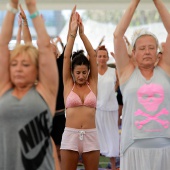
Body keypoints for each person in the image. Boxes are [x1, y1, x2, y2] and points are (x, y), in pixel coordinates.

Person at [0, 0, 60, 169]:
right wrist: (11, 7)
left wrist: (32, 8)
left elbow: (45, 46)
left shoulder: (45, 91)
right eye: (14, 64)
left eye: (25, 65)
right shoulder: (3, 89)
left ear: (36, 70)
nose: (18, 69)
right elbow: (2, 45)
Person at [113, 0, 170, 170]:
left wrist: (157, 1)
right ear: (134, 53)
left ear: (157, 52)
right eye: (143, 48)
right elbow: (117, 35)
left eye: (151, 48)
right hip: (133, 149)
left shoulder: (165, 71)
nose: (147, 52)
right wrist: (135, 3)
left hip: (164, 148)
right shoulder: (126, 73)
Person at [60, 6, 100, 170]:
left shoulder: (93, 83)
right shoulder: (69, 82)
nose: (82, 76)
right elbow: (67, 56)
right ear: (73, 72)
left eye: (84, 72)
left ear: (88, 71)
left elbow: (92, 54)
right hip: (70, 135)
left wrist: (82, 34)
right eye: (78, 72)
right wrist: (72, 34)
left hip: (91, 135)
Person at [95, 45, 119, 170]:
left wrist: (113, 91)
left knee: (112, 135)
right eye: (100, 56)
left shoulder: (113, 71)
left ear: (107, 58)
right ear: (96, 58)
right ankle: (95, 165)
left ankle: (114, 166)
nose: (102, 58)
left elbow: (119, 81)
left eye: (104, 56)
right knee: (96, 136)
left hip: (111, 108)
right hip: (97, 108)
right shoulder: (92, 72)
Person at [51, 37, 66, 168]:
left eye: (53, 50)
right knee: (49, 151)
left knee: (60, 150)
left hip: (60, 115)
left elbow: (68, 50)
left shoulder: (60, 63)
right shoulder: (40, 68)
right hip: (47, 116)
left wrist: (71, 31)